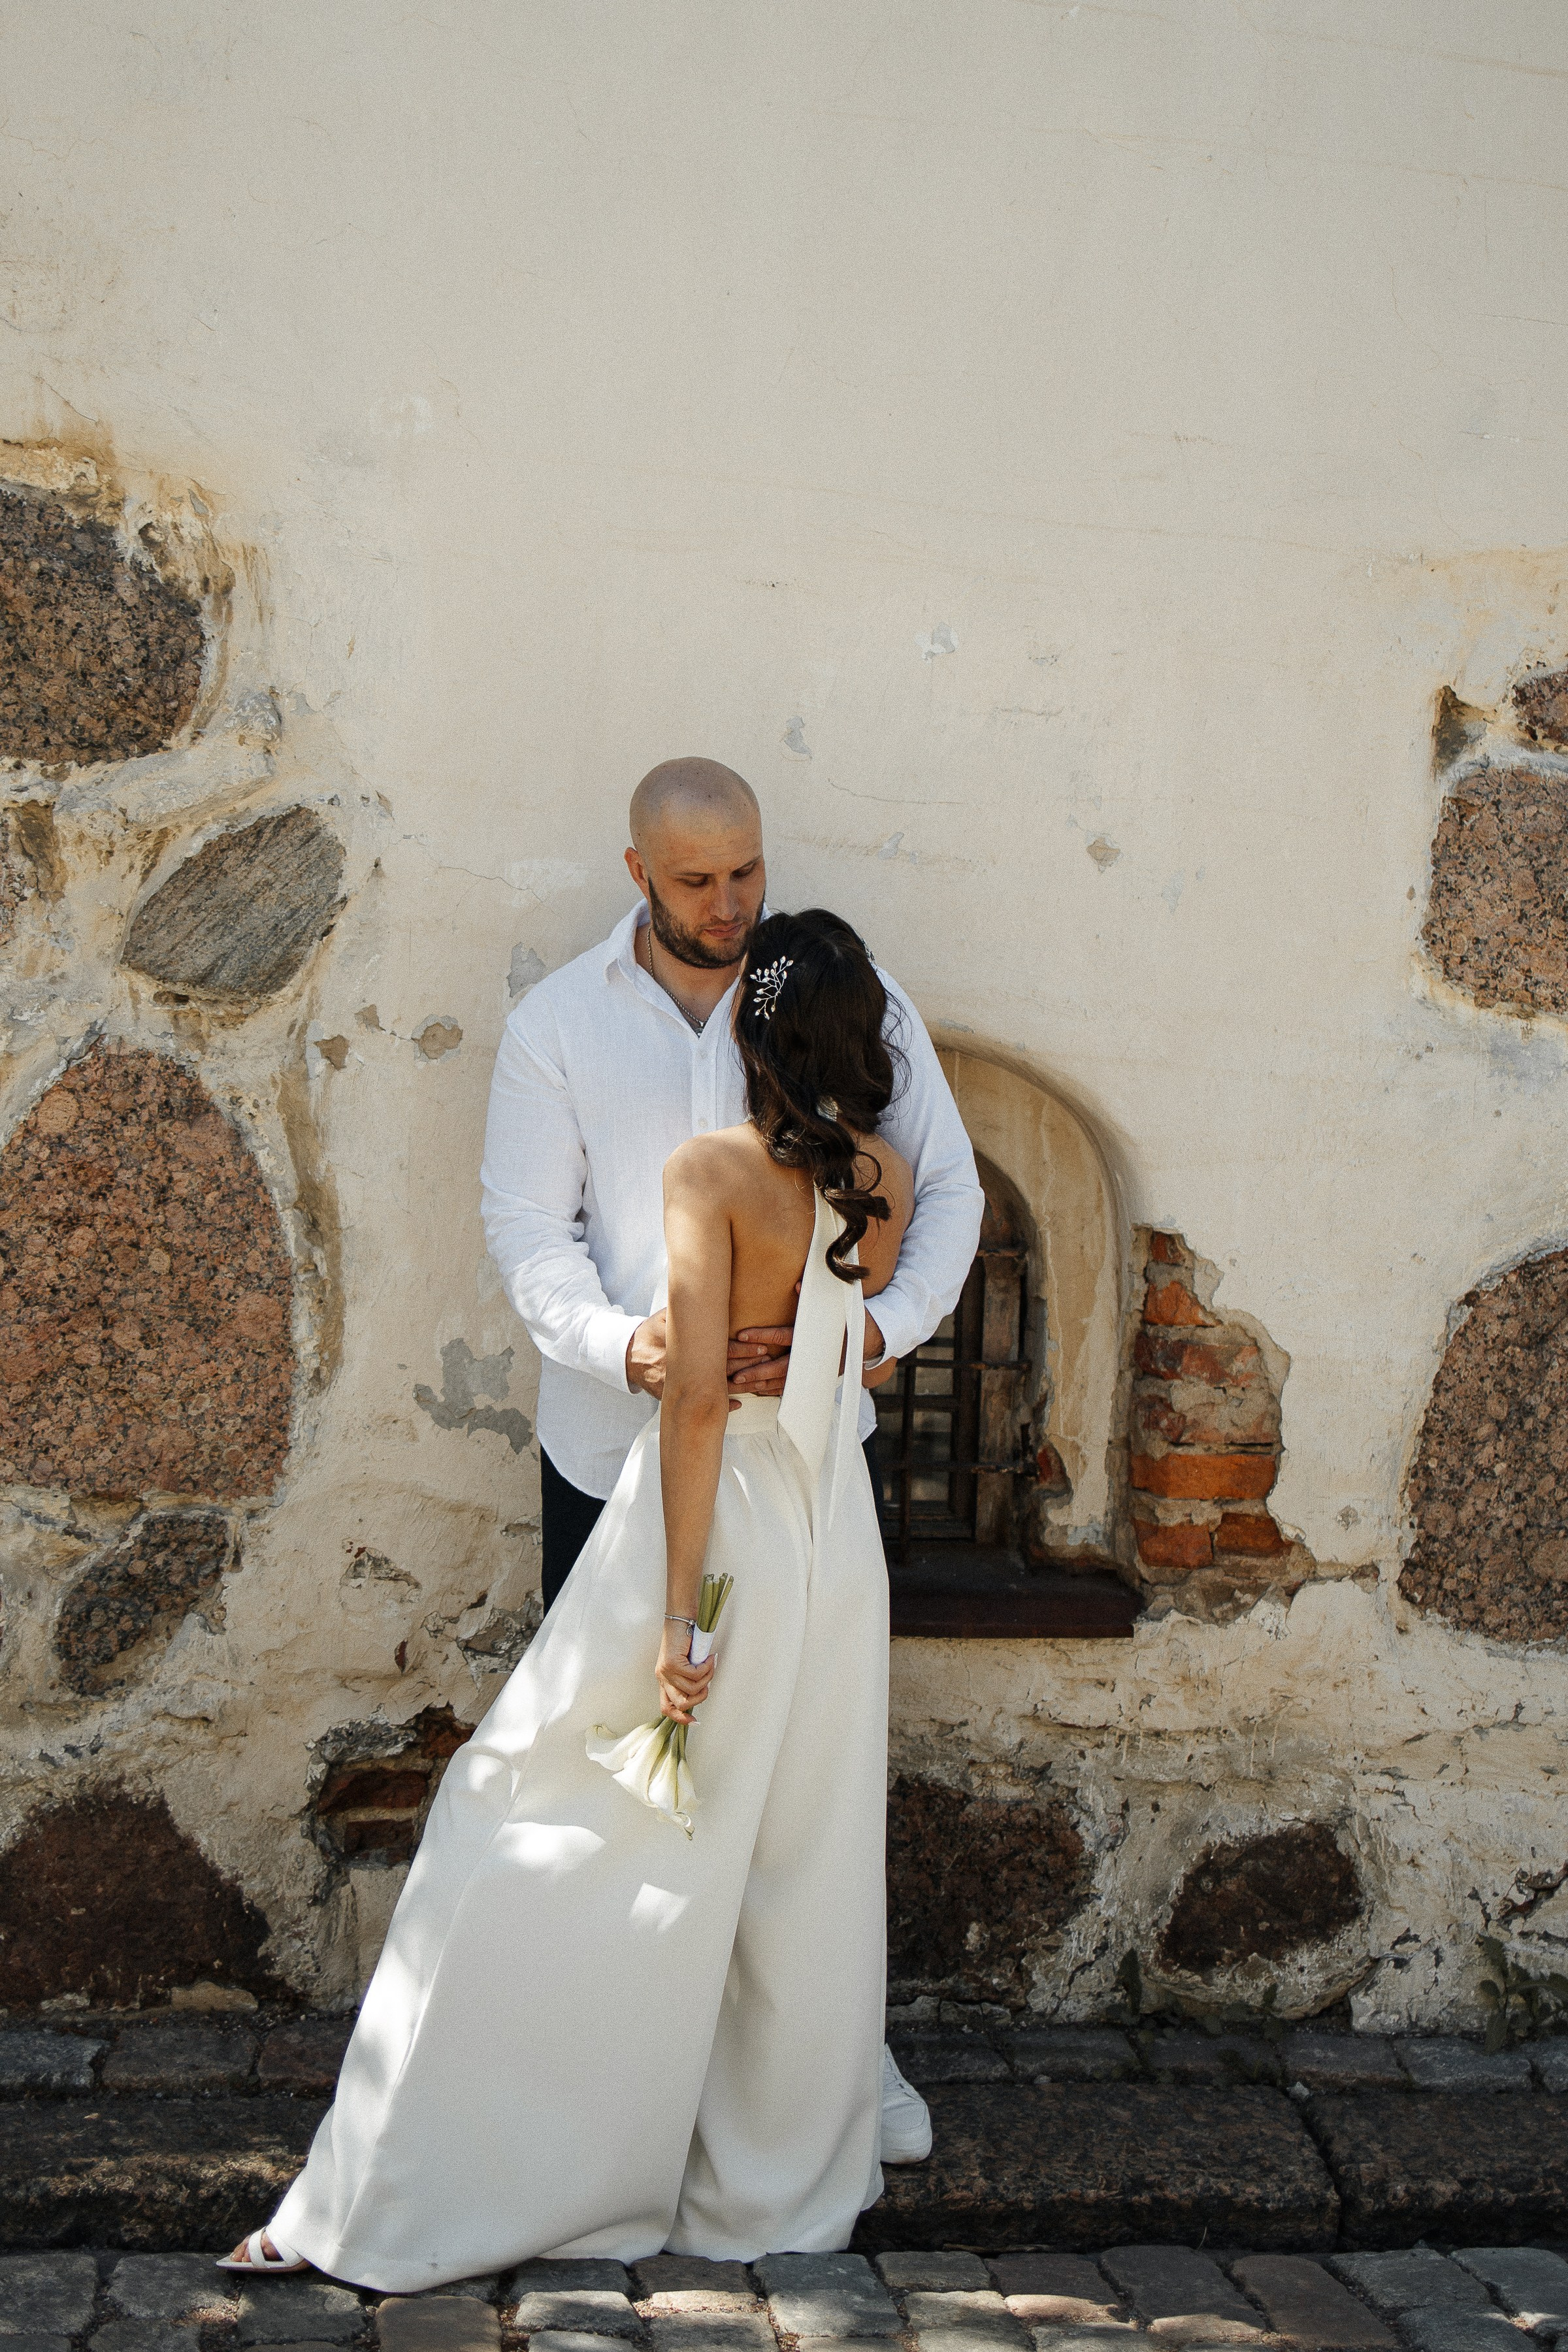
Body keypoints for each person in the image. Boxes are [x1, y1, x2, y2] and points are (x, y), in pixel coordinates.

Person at [222, 909, 925, 2281]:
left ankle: (445, 2180)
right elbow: (843, 1350)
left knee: (522, 1810)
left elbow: (704, 1403)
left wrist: (675, 1617)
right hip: (834, 1546)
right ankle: (765, 2175)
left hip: (722, 1530)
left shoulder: (708, 1169)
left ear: (750, 1031)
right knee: (796, 1858)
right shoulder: (883, 1177)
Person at [480, 755, 985, 2168]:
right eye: (698, 879)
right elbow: (528, 1230)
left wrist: (871, 1335)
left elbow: (946, 1186)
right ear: (635, 868)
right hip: (612, 1456)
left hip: (811, 1459)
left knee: (795, 1778)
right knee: (622, 1775)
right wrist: (618, 1346)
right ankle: (614, 2062)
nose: (730, 903)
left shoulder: (837, 998)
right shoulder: (558, 1025)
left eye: (747, 872)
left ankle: (810, 2053)